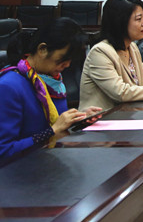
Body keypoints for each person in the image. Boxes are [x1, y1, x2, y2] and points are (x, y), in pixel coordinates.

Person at [0, 18, 102, 161]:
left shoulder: (53, 81)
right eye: (63, 59)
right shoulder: (9, 86)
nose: (67, 65)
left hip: (51, 162)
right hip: (21, 170)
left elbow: (55, 124)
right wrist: (52, 132)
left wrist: (78, 119)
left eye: (70, 60)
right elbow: (4, 151)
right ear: (42, 49)